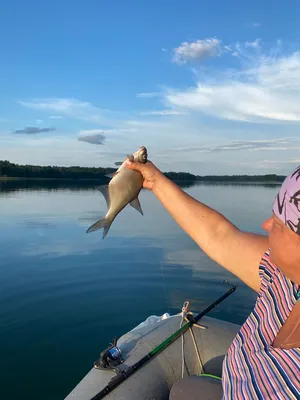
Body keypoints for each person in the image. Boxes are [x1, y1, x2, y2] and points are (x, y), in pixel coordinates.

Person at [125, 158, 300, 399]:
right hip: (232, 384)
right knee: (183, 390)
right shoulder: (282, 277)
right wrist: (156, 182)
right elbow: (219, 236)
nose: (266, 224)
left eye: (280, 224)